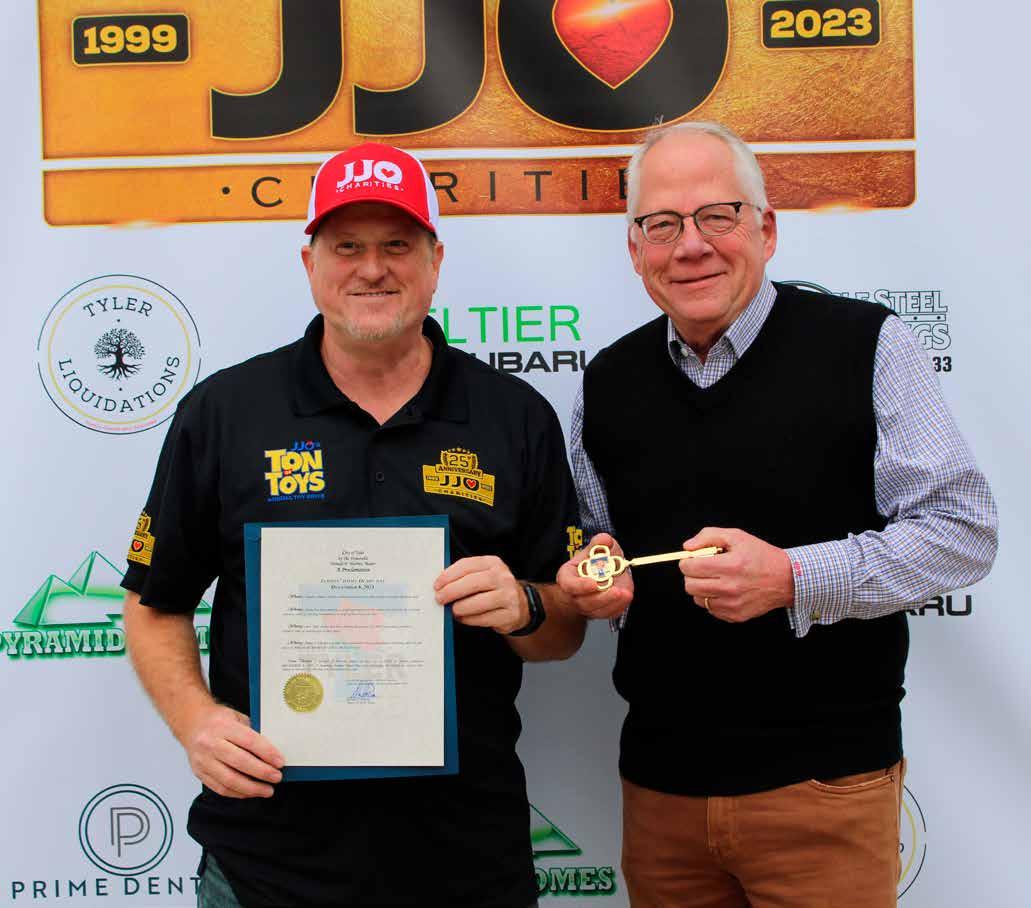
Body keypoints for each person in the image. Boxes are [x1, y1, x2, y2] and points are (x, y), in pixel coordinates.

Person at [121, 142, 585, 908]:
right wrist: (194, 720)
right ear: (310, 264)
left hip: (466, 863)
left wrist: (527, 605)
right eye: (347, 247)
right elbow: (153, 602)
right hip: (265, 865)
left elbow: (562, 632)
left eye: (397, 245)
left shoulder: (514, 417)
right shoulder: (226, 412)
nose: (372, 268)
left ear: (435, 261)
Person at [557, 121, 998, 907]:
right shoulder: (607, 382)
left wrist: (794, 577)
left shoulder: (867, 346)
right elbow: (598, 544)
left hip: (823, 789)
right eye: (662, 224)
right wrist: (594, 581)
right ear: (634, 249)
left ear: (765, 230)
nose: (690, 245)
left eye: (716, 215)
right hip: (660, 796)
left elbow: (961, 530)